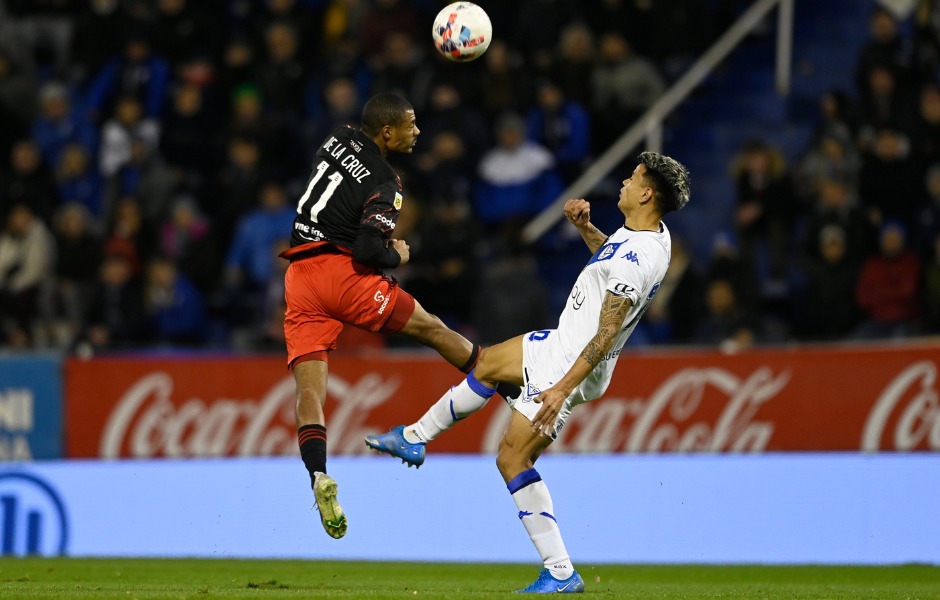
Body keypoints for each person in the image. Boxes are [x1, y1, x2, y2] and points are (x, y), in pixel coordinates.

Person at [366, 151, 691, 593]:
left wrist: (560, 391)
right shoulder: (651, 236)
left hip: (572, 361)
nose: (624, 184)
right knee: (489, 363)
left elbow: (607, 333)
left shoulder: (638, 257)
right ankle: (414, 438)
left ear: (647, 193)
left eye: (633, 179)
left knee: (512, 458)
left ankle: (560, 571)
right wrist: (585, 230)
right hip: (562, 342)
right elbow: (610, 263)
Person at [280, 92, 512, 540]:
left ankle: (318, 476)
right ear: (387, 132)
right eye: (410, 124)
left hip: (300, 275)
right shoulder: (387, 183)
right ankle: (509, 391)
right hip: (343, 276)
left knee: (310, 391)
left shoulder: (336, 136)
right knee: (434, 329)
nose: (418, 131)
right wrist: (398, 254)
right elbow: (369, 250)